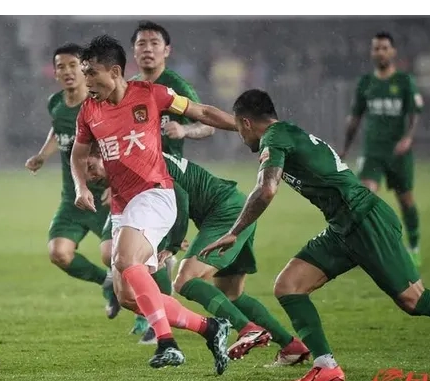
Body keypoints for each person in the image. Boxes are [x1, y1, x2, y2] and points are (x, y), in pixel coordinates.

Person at [201, 89, 430, 381]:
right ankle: (325, 366)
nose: (241, 138)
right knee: (289, 285)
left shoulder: (275, 138)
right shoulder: (285, 133)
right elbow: (236, 131)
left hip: (364, 221)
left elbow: (266, 189)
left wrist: (235, 230)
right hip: (343, 226)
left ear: (246, 122)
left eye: (239, 129)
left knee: (415, 301)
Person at [69, 35, 240, 372]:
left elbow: (202, 112)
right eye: (84, 74)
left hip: (155, 194)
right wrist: (81, 186)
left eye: (91, 73)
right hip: (122, 206)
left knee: (125, 259)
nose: (86, 81)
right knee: (128, 297)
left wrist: (247, 128)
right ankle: (210, 328)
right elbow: (78, 153)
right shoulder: (89, 110)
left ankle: (167, 343)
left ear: (114, 71)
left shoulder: (152, 94)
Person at [87, 147, 310, 365]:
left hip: (226, 212)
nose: (89, 175)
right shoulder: (139, 155)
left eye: (90, 166)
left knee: (185, 281)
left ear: (104, 153)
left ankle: (247, 329)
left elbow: (180, 196)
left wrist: (172, 245)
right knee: (231, 293)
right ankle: (291, 346)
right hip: (235, 207)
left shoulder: (138, 164)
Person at [100, 20, 215, 342]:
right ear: (133, 51)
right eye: (141, 43)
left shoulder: (173, 86)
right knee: (112, 252)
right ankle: (146, 308)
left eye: (154, 43)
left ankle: (156, 324)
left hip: (164, 184)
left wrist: (185, 130)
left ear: (167, 50)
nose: (147, 49)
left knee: (154, 255)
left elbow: (207, 125)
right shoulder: (128, 87)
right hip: (129, 187)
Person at [24, 42, 118, 318]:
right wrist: (43, 155)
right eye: (60, 67)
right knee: (59, 253)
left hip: (104, 198)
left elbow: (118, 145)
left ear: (84, 68)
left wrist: (115, 185)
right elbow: (58, 132)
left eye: (73, 65)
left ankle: (146, 317)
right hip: (73, 198)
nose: (67, 71)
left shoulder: (100, 105)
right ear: (54, 72)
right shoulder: (56, 103)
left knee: (122, 259)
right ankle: (107, 282)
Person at [341, 31, 424, 267]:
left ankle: (414, 246)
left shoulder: (404, 81)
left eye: (384, 48)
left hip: (398, 153)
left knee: (405, 200)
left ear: (393, 51)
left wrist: (408, 138)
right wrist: (345, 148)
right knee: (364, 200)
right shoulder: (366, 83)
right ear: (371, 52)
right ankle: (369, 249)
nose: (380, 52)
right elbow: (355, 118)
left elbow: (414, 113)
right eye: (376, 48)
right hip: (372, 152)